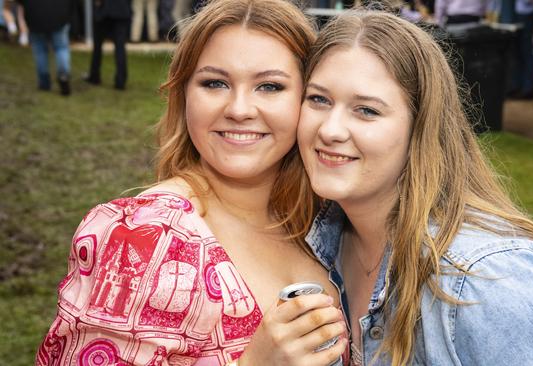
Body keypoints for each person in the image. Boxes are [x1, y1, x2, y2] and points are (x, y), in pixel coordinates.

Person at [36, 1, 348, 365]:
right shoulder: (145, 238)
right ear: (184, 95)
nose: (239, 109)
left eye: (269, 86)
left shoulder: (326, 219)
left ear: (310, 100)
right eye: (215, 83)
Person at [298, 9, 533, 365]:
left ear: (420, 128)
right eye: (319, 99)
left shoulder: (487, 278)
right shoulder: (324, 244)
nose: (330, 130)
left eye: (367, 110)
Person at [12, 0, 73, 95]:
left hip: (35, 16)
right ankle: (63, 75)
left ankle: (44, 82)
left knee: (40, 50)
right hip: (59, 15)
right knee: (61, 48)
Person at [85, 0, 131, 90]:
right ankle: (120, 81)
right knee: (120, 47)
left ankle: (95, 76)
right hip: (120, 9)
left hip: (104, 9)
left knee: (98, 46)